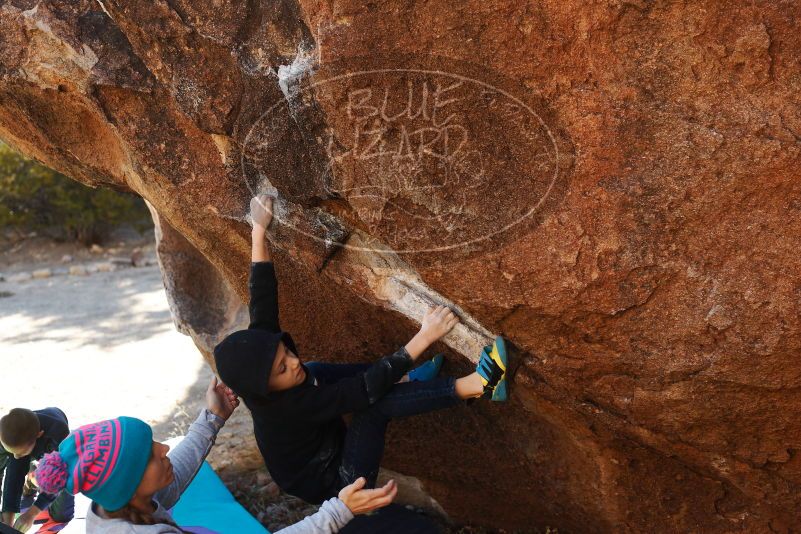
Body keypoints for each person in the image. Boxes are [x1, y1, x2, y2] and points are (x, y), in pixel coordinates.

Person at [213, 195, 509, 509]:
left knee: (315, 371)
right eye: (281, 370)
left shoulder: (267, 356)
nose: (292, 360)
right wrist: (425, 336)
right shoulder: (287, 408)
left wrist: (258, 230)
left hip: (324, 443)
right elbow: (363, 391)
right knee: (373, 405)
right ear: (264, 390)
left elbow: (262, 294)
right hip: (338, 484)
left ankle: (406, 379)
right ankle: (480, 385)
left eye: (285, 353)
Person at [33, 377, 400, 533]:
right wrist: (339, 511)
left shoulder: (120, 502)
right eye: (149, 455)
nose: (164, 448)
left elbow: (174, 473)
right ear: (129, 485)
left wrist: (212, 418)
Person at [0, 407, 72, 532]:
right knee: (16, 465)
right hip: (26, 443)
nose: (15, 457)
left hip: (51, 447)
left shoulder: (60, 438)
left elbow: (60, 478)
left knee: (62, 515)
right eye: (10, 452)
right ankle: (33, 475)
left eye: (19, 453)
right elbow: (11, 476)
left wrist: (31, 514)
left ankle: (35, 475)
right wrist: (8, 524)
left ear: (38, 435)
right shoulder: (7, 436)